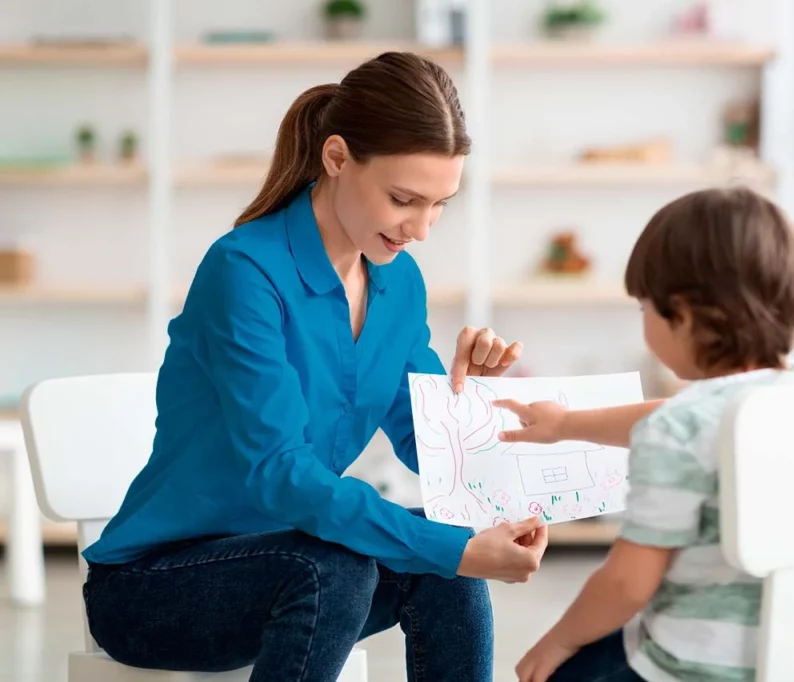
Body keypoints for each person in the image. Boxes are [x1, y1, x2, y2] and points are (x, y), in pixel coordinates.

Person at [79, 51, 548, 682]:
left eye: (440, 205)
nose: (422, 229)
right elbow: (280, 474)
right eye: (403, 199)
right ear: (335, 158)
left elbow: (429, 447)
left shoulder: (398, 281)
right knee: (350, 564)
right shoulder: (244, 271)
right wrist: (456, 548)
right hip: (156, 586)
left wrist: (471, 401)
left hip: (298, 563)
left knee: (440, 569)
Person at [496, 187, 794, 682]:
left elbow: (627, 585)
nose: (642, 320)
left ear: (684, 316)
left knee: (557, 670)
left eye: (644, 308)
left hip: (689, 667)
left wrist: (558, 639)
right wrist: (565, 425)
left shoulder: (680, 429)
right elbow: (680, 416)